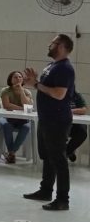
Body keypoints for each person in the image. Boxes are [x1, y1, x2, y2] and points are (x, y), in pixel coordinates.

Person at [23, 34, 75, 211]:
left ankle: (63, 199)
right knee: (47, 156)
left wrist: (36, 84)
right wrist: (34, 82)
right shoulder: (52, 66)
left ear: (61, 46)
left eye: (52, 43)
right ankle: (45, 190)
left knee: (59, 159)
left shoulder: (65, 68)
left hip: (57, 120)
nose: (49, 45)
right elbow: (45, 88)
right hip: (46, 118)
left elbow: (59, 94)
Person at [0, 71, 33, 164]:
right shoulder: (5, 91)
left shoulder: (27, 92)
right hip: (7, 118)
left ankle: (11, 152)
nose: (18, 79)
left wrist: (21, 91)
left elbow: (27, 105)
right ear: (10, 80)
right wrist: (22, 108)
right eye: (15, 77)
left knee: (27, 127)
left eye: (20, 77)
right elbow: (7, 105)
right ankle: (12, 153)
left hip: (22, 120)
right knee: (6, 125)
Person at [66, 91, 87, 162]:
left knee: (83, 132)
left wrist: (70, 110)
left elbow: (84, 110)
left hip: (75, 125)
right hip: (62, 124)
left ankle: (67, 151)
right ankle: (69, 152)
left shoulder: (76, 95)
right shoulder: (58, 93)